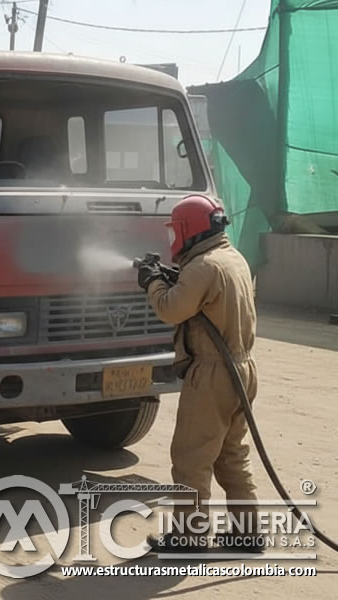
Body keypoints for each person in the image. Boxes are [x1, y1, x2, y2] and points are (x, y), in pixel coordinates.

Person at [136, 195, 261, 554]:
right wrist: (171, 277)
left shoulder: (203, 267)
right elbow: (207, 299)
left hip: (212, 373)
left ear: (187, 230)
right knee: (231, 454)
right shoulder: (233, 258)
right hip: (243, 369)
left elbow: (171, 309)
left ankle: (188, 537)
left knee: (192, 457)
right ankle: (246, 531)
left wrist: (151, 283)